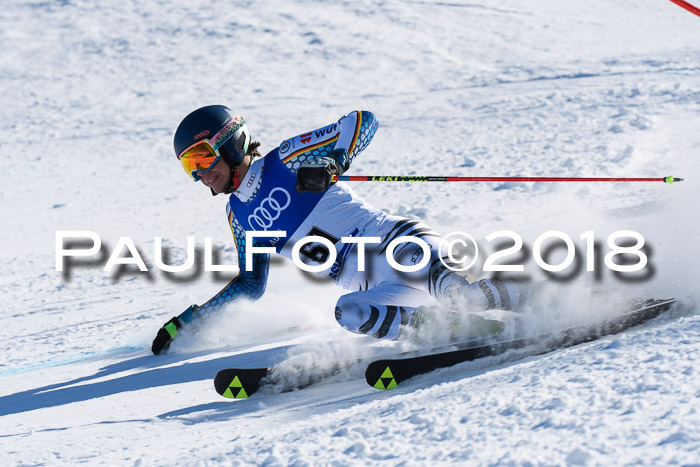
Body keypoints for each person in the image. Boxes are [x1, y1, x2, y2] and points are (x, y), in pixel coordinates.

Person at [151, 105, 529, 355]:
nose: (200, 174)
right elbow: (251, 284)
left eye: (201, 157)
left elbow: (362, 121)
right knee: (349, 312)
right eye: (189, 166)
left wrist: (335, 161)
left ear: (231, 143)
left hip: (395, 245)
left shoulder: (286, 159)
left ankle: (559, 296)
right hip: (373, 287)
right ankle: (453, 331)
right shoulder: (239, 217)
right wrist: (192, 320)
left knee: (463, 294)